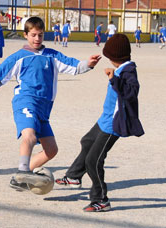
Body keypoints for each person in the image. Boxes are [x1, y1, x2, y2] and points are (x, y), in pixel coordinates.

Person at [0, 16, 101, 191]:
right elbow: (1, 73)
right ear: (26, 35)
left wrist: (89, 63)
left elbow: (73, 66)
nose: (37, 39)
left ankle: (20, 178)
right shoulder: (20, 57)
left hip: (44, 108)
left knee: (51, 150)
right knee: (30, 136)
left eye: (40, 35)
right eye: (33, 35)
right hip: (25, 101)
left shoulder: (52, 55)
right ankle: (22, 171)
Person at [55, 34, 144, 212]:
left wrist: (114, 79)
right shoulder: (121, 69)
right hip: (105, 119)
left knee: (93, 161)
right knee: (86, 141)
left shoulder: (128, 71)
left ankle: (101, 199)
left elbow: (132, 92)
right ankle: (73, 176)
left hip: (114, 124)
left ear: (114, 57)